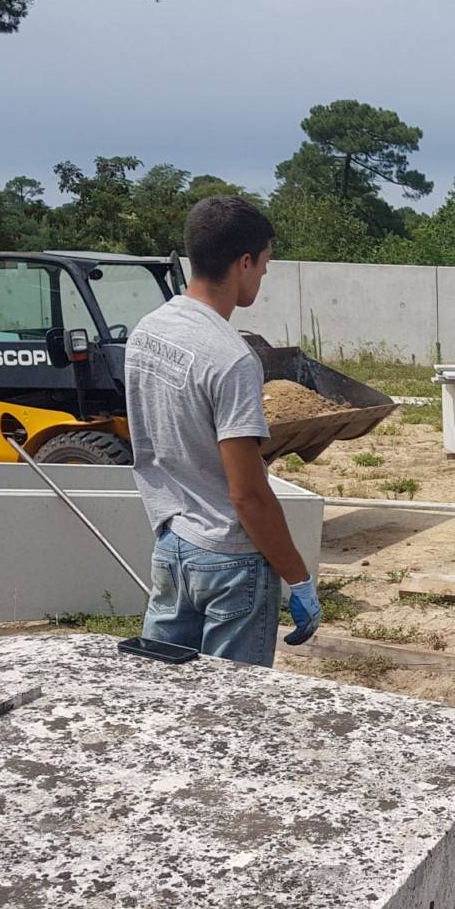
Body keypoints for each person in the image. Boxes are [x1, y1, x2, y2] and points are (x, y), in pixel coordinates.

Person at [126, 196, 321, 665]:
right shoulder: (231, 358)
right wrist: (297, 578)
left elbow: (158, 439)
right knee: (233, 713)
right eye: (266, 262)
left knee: (160, 697)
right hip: (231, 561)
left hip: (173, 545)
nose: (265, 275)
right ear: (245, 261)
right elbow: (247, 496)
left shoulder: (147, 332)